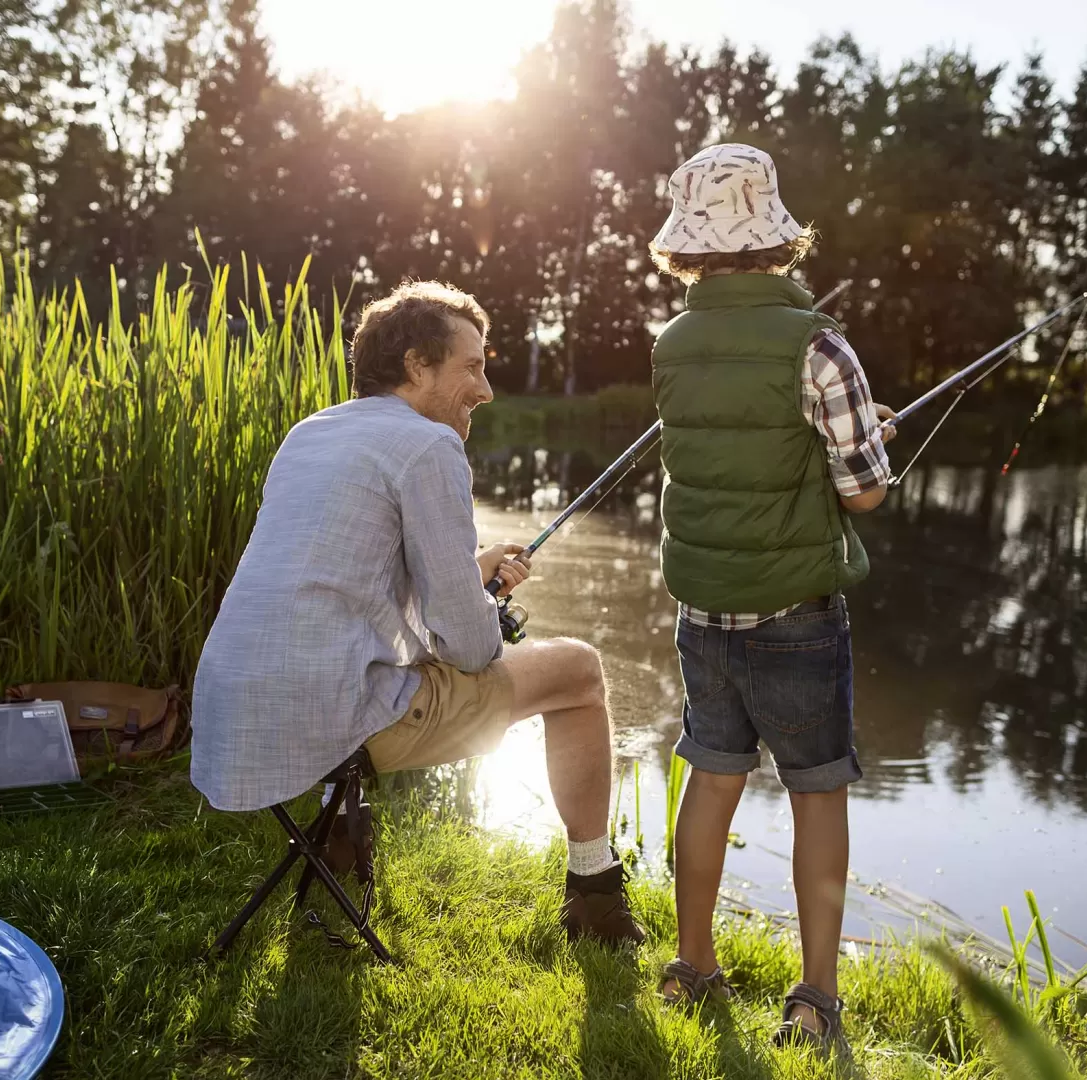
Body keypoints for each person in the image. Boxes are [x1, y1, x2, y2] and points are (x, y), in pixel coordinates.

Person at [190, 280, 646, 946]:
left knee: (373, 660)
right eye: (473, 366)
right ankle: (595, 892)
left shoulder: (312, 433)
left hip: (238, 704)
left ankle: (341, 843)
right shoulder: (431, 447)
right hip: (334, 714)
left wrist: (474, 567)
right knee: (578, 672)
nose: (486, 389)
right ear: (416, 366)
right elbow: (468, 648)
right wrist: (481, 605)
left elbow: (349, 577)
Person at [645, 142, 896, 1063]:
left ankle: (692, 966)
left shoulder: (671, 344)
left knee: (711, 777)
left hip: (702, 610)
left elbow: (726, 458)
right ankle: (816, 998)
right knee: (816, 792)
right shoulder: (820, 343)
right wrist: (867, 443)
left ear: (693, 248)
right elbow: (862, 489)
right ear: (775, 239)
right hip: (795, 612)